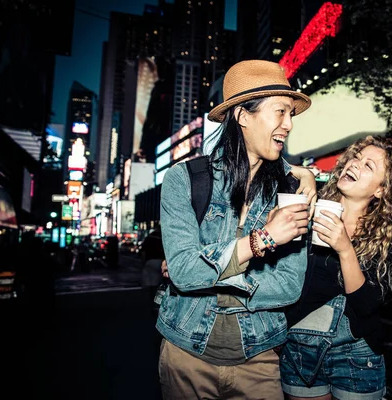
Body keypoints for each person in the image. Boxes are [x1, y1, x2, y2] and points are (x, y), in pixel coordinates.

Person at [157, 59, 317, 400]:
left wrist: (211, 274)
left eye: (291, 114)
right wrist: (263, 241)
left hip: (258, 360)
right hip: (186, 355)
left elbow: (289, 286)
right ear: (243, 116)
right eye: (280, 112)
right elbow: (185, 273)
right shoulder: (183, 180)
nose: (289, 124)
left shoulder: (292, 191)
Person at [280, 135, 392, 400]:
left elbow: (366, 305)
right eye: (356, 158)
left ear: (381, 189)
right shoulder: (309, 209)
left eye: (369, 165)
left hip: (357, 354)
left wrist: (345, 249)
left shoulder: (387, 237)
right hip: (300, 349)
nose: (355, 164)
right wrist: (307, 177)